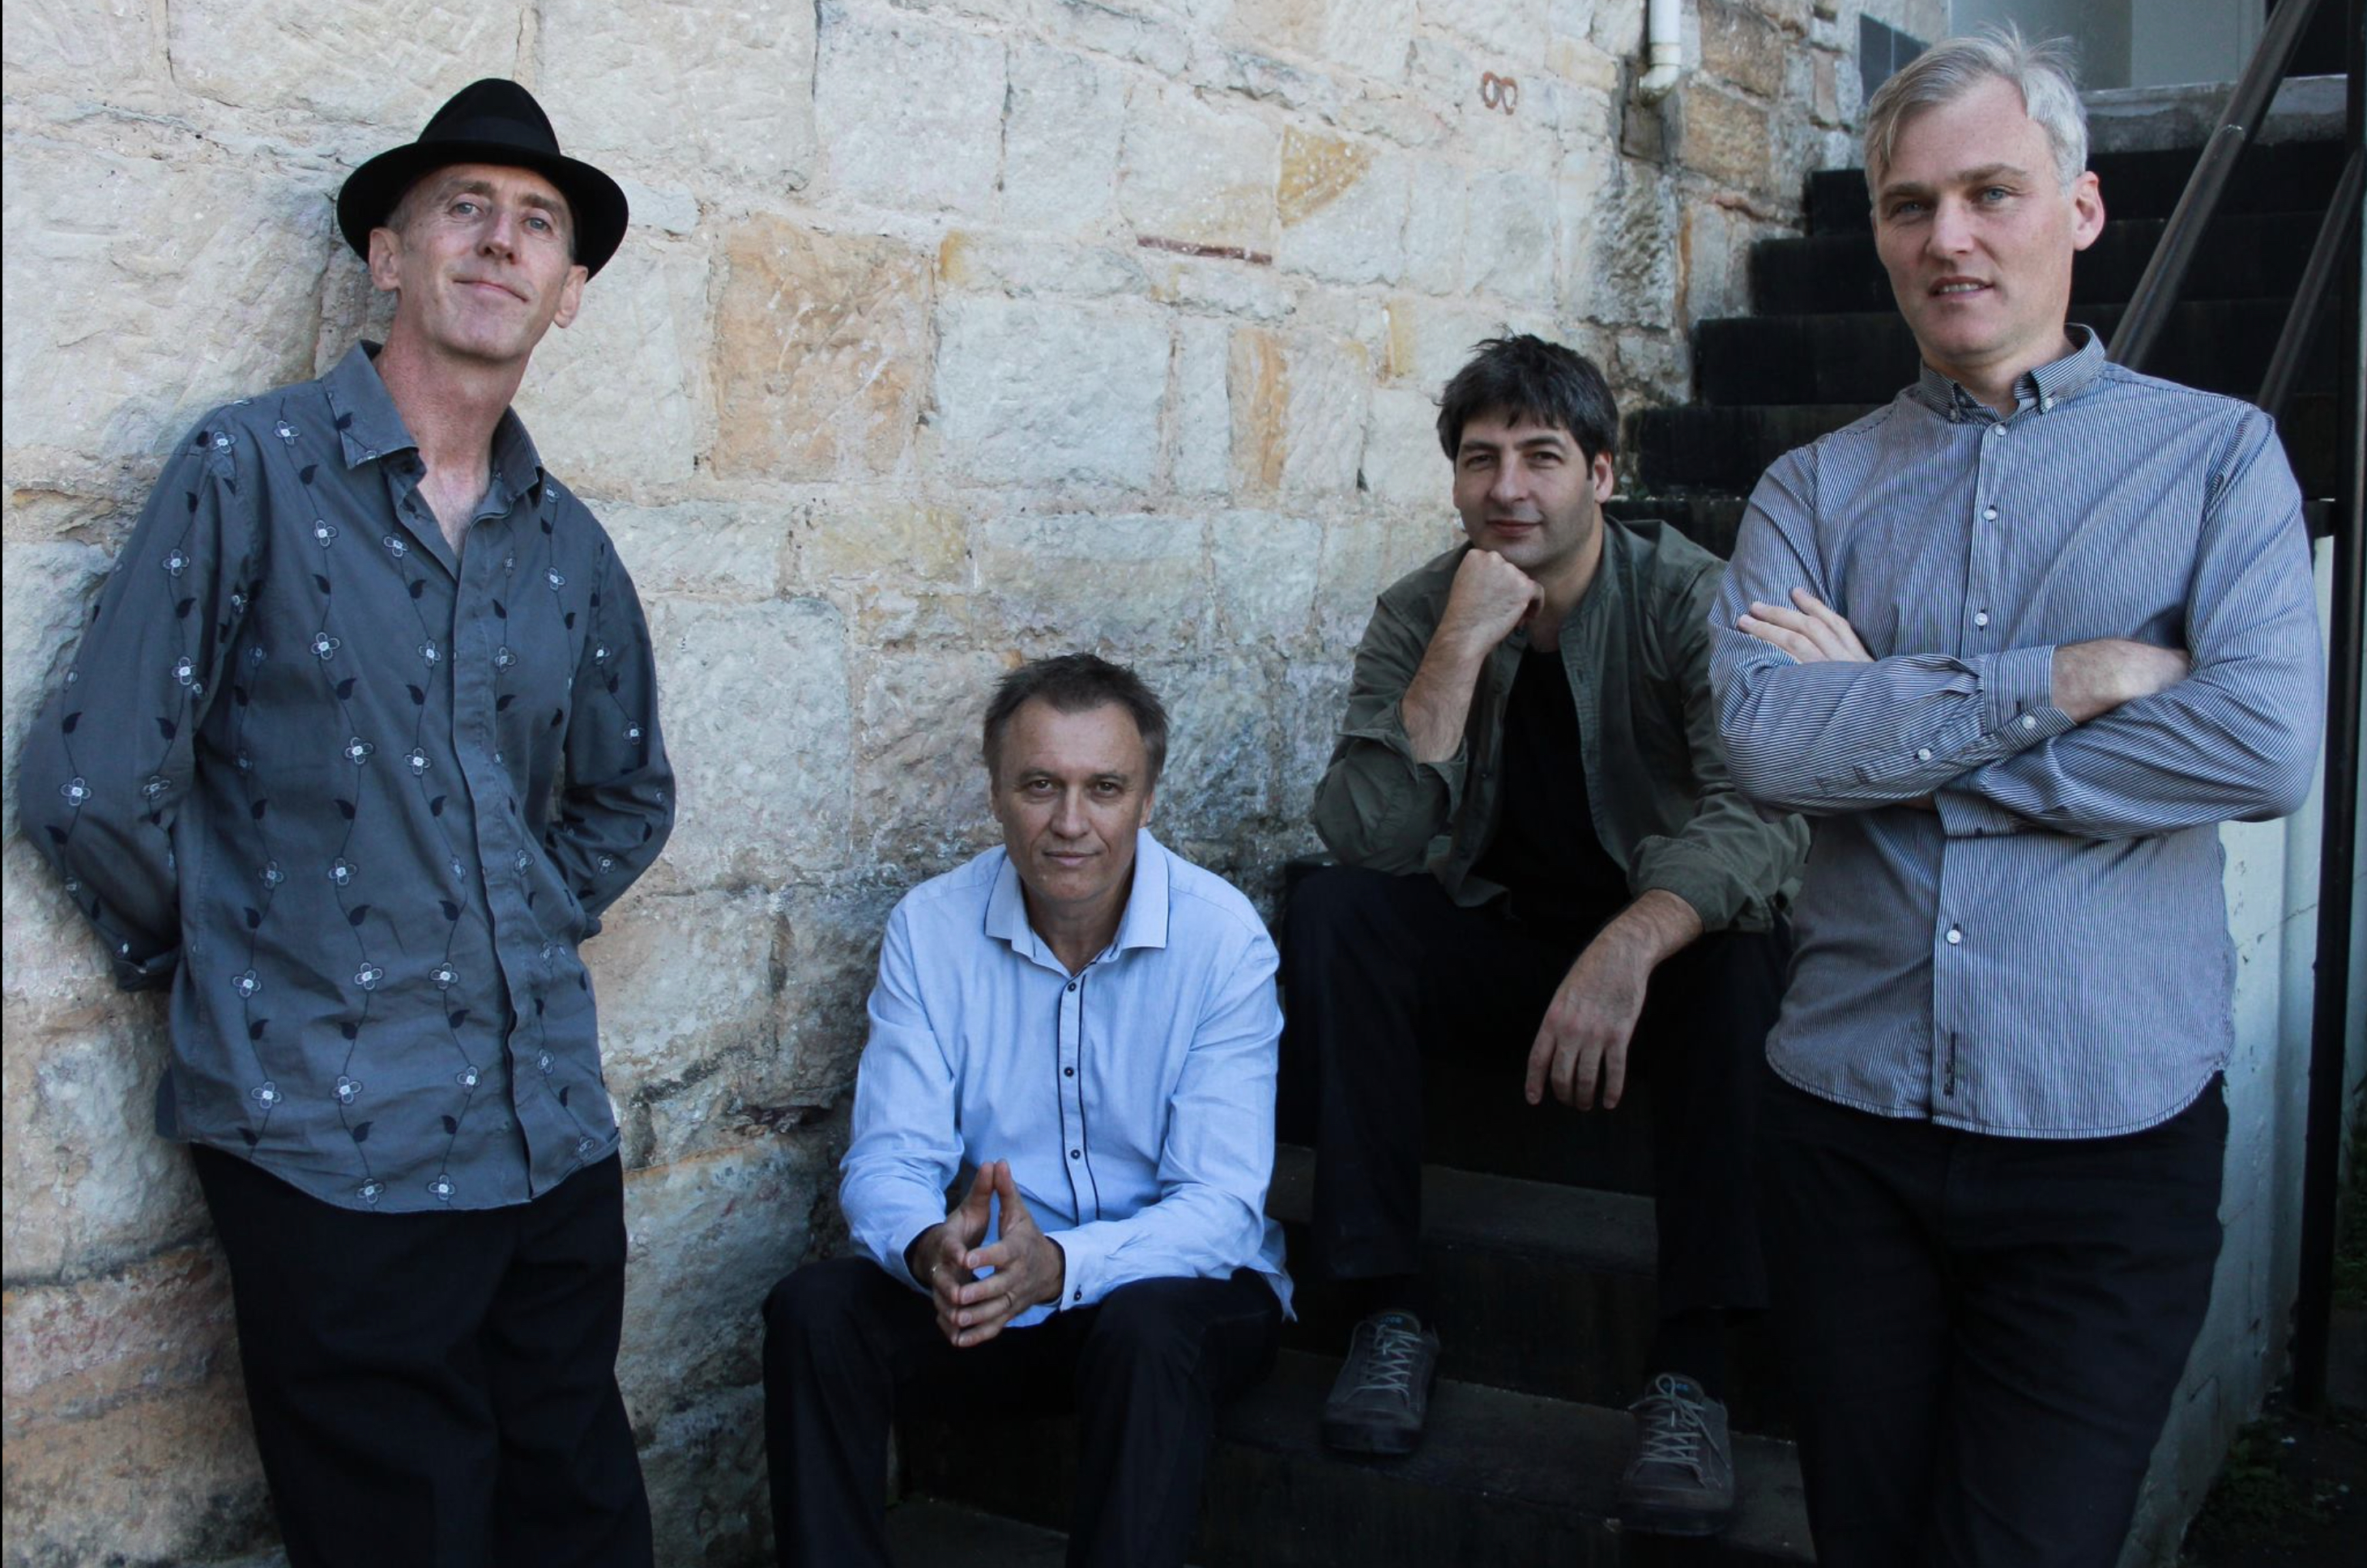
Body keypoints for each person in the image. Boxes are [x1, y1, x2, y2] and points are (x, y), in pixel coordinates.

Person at [15, 79, 671, 1568]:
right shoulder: (248, 472)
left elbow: (629, 791)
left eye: (538, 224)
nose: (499, 242)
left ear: (567, 291)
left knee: (582, 1523)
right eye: (464, 209)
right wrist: (245, 961)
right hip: (329, 1144)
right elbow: (89, 784)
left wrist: (519, 912)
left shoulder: (569, 546)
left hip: (548, 1133)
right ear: (387, 254)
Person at [1708, 30, 2324, 1566]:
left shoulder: (2215, 460)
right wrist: (2065, 678)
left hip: (2104, 1141)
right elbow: (1767, 746)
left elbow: (2259, 748)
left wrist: (1893, 727)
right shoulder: (1810, 492)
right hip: (1844, 1129)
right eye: (1908, 205)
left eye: (1990, 191)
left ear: (2081, 208)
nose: (1949, 238)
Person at [1290, 334, 1806, 1534]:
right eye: (1480, 460)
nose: (1507, 489)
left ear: (1603, 475)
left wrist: (1629, 944)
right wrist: (1458, 646)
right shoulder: (1422, 608)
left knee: (1746, 958)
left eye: (1541, 456)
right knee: (1332, 909)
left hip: (1659, 963)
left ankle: (1691, 1372)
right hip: (1501, 940)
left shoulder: (1688, 597)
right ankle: (1385, 1308)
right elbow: (1366, 832)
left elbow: (1763, 815)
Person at [761, 654, 1290, 1568]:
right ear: (997, 795)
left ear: (1147, 800)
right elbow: (889, 1161)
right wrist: (931, 1248)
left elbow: (1220, 1210)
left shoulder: (1222, 939)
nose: (1071, 823)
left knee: (1145, 1330)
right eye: (1041, 785)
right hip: (999, 1297)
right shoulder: (930, 928)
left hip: (1175, 1299)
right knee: (815, 1311)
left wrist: (1062, 1266)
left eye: (1105, 788)